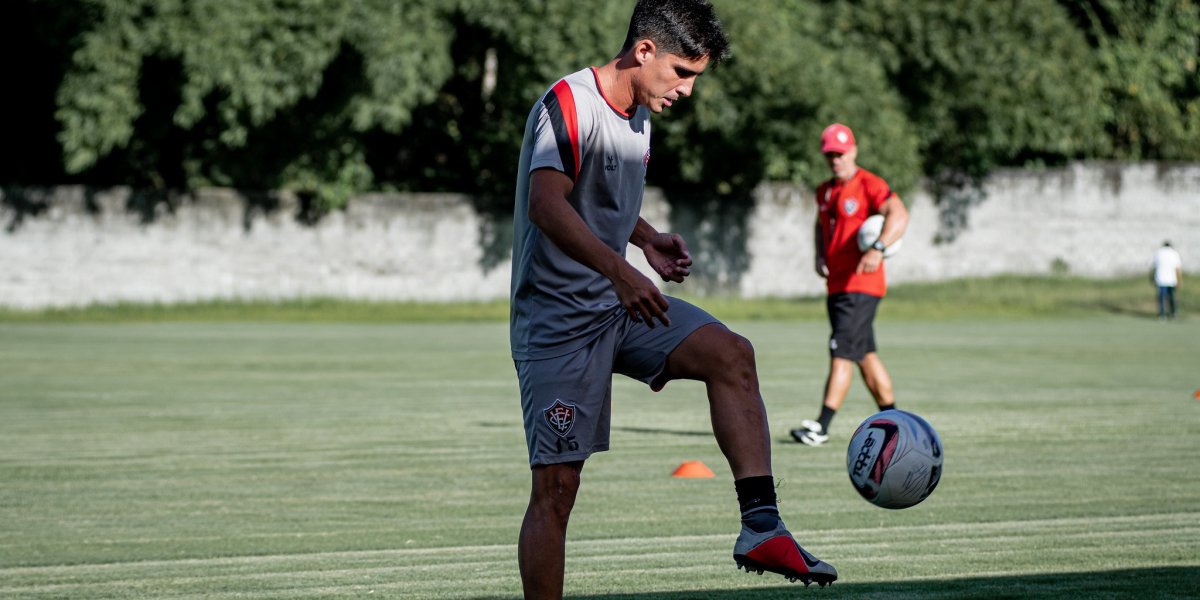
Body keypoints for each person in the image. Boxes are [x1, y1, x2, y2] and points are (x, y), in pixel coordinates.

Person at [509, 1, 836, 597]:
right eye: (683, 73)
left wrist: (646, 239)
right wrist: (622, 271)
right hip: (557, 324)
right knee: (556, 491)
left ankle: (761, 524)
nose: (686, 89)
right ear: (644, 52)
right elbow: (547, 204)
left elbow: (598, 197)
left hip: (618, 307)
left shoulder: (640, 116)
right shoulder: (567, 105)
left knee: (731, 354)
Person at [790, 123, 909, 447]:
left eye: (840, 153)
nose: (835, 160)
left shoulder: (869, 184)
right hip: (838, 286)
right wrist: (819, 254)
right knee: (864, 354)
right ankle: (897, 421)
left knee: (840, 351)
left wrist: (879, 248)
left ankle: (821, 426)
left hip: (862, 285)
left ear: (853, 151)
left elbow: (899, 213)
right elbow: (820, 223)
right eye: (830, 154)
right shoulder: (825, 190)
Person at [1153, 240, 1183, 320]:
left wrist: (1153, 278)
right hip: (1171, 279)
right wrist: (1179, 280)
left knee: (1162, 298)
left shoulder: (1158, 253)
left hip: (1161, 279)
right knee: (1172, 297)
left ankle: (1162, 315)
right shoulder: (1174, 253)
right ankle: (1173, 314)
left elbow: (1154, 267)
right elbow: (1177, 268)